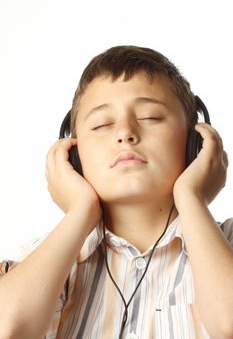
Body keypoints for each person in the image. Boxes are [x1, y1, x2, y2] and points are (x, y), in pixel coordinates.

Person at [0, 46, 233, 339]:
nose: (125, 133)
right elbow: (8, 327)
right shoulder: (44, 257)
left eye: (150, 117)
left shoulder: (227, 244)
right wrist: (81, 211)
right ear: (74, 156)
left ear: (195, 144)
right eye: (102, 124)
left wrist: (191, 198)